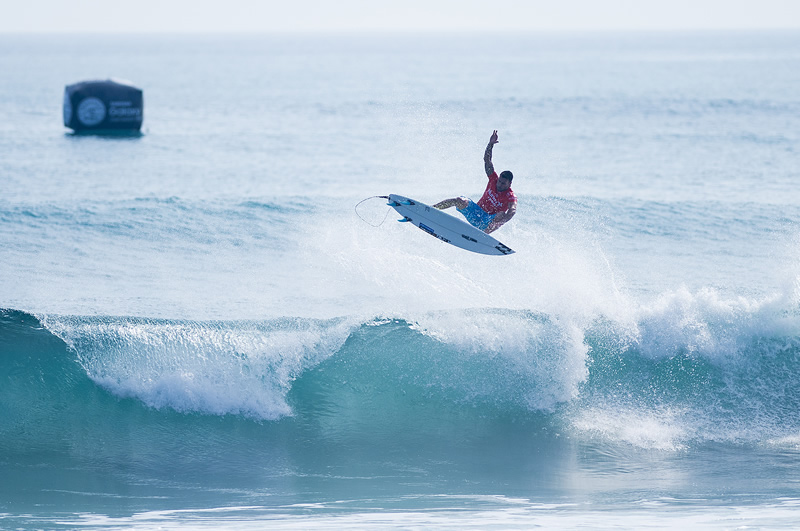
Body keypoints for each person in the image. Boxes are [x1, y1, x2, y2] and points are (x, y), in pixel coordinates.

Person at [433, 130, 517, 234]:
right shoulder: (493, 179)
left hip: (487, 223)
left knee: (501, 214)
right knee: (459, 200)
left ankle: (484, 235)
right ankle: (432, 209)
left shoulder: (510, 196)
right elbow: (487, 160)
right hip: (475, 213)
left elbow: (512, 210)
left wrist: (505, 218)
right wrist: (490, 144)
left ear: (509, 184)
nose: (499, 184)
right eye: (499, 181)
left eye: (503, 183)